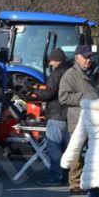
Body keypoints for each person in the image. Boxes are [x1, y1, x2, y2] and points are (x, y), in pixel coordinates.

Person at [58, 45, 99, 194]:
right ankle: (74, 183)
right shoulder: (70, 74)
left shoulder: (96, 72)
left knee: (94, 151)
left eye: (90, 57)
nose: (88, 60)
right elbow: (63, 97)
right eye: (85, 57)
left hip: (96, 119)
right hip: (78, 119)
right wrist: (84, 97)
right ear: (77, 58)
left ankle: (91, 181)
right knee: (76, 152)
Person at [34, 48, 72, 185]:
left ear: (57, 60)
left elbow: (49, 93)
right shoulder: (71, 71)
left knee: (54, 147)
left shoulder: (57, 73)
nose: (50, 64)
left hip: (56, 114)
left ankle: (55, 176)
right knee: (66, 148)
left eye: (51, 61)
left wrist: (37, 92)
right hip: (69, 115)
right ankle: (65, 176)